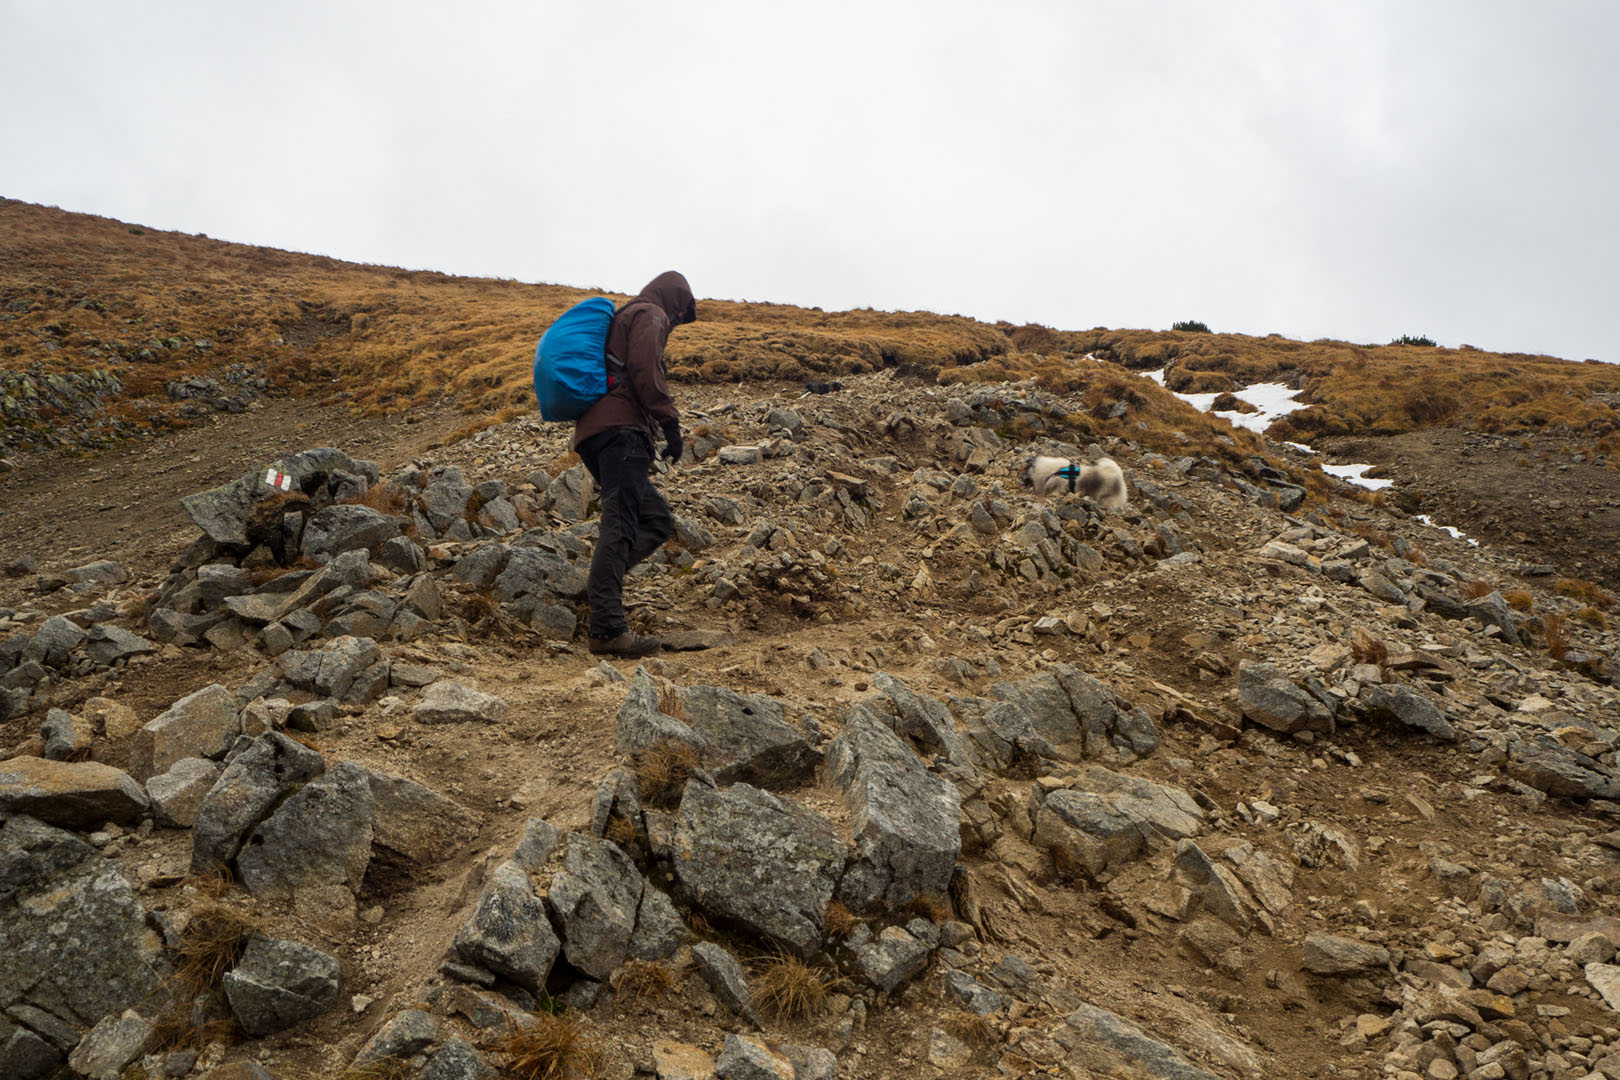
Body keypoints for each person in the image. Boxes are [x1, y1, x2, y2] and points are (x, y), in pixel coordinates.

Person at [572, 271, 695, 657]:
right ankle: (607, 628)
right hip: (622, 432)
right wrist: (669, 420)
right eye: (681, 313)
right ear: (675, 302)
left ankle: (600, 588)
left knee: (655, 519)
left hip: (597, 432)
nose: (676, 321)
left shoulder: (629, 315)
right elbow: (645, 368)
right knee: (622, 523)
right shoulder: (651, 314)